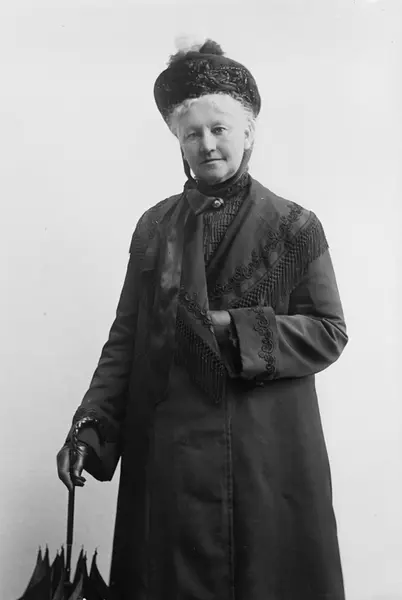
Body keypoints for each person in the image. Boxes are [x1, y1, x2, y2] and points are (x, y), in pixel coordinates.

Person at [57, 38, 348, 600]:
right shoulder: (154, 227)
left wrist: (231, 328)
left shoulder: (295, 226)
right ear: (179, 142)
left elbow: (329, 333)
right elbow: (126, 338)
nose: (207, 143)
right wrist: (91, 426)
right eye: (192, 133)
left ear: (249, 132)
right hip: (167, 458)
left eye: (220, 128)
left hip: (263, 458)